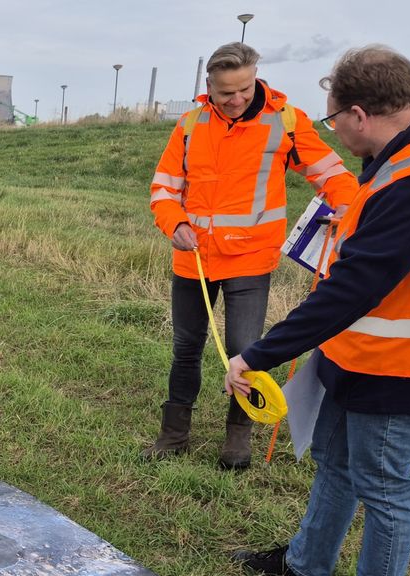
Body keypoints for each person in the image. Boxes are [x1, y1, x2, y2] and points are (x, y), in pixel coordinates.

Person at [227, 46, 410, 576]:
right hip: (359, 349)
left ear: (361, 114)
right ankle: (306, 565)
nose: (333, 131)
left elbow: (357, 285)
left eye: (334, 118)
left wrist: (258, 354)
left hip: (406, 362)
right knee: (334, 462)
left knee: (384, 484)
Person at [146, 42, 358, 469]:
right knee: (186, 348)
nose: (237, 99)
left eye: (244, 88)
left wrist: (350, 208)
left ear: (256, 77)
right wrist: (175, 223)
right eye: (227, 92)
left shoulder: (286, 121)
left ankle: (237, 440)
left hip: (250, 260)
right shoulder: (189, 125)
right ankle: (174, 435)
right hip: (194, 259)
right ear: (209, 87)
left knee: (245, 351)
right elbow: (164, 189)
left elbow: (332, 174)